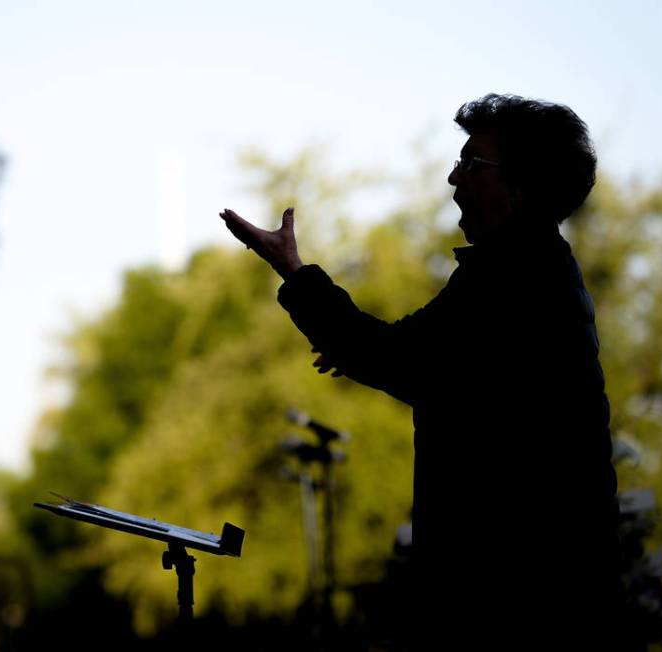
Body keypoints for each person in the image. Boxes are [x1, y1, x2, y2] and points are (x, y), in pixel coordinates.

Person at [220, 94, 624, 650]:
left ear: (521, 185)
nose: (454, 178)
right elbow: (410, 357)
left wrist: (292, 269)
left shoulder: (513, 280)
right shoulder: (532, 271)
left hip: (517, 605)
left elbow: (394, 356)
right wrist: (365, 347)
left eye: (472, 163)